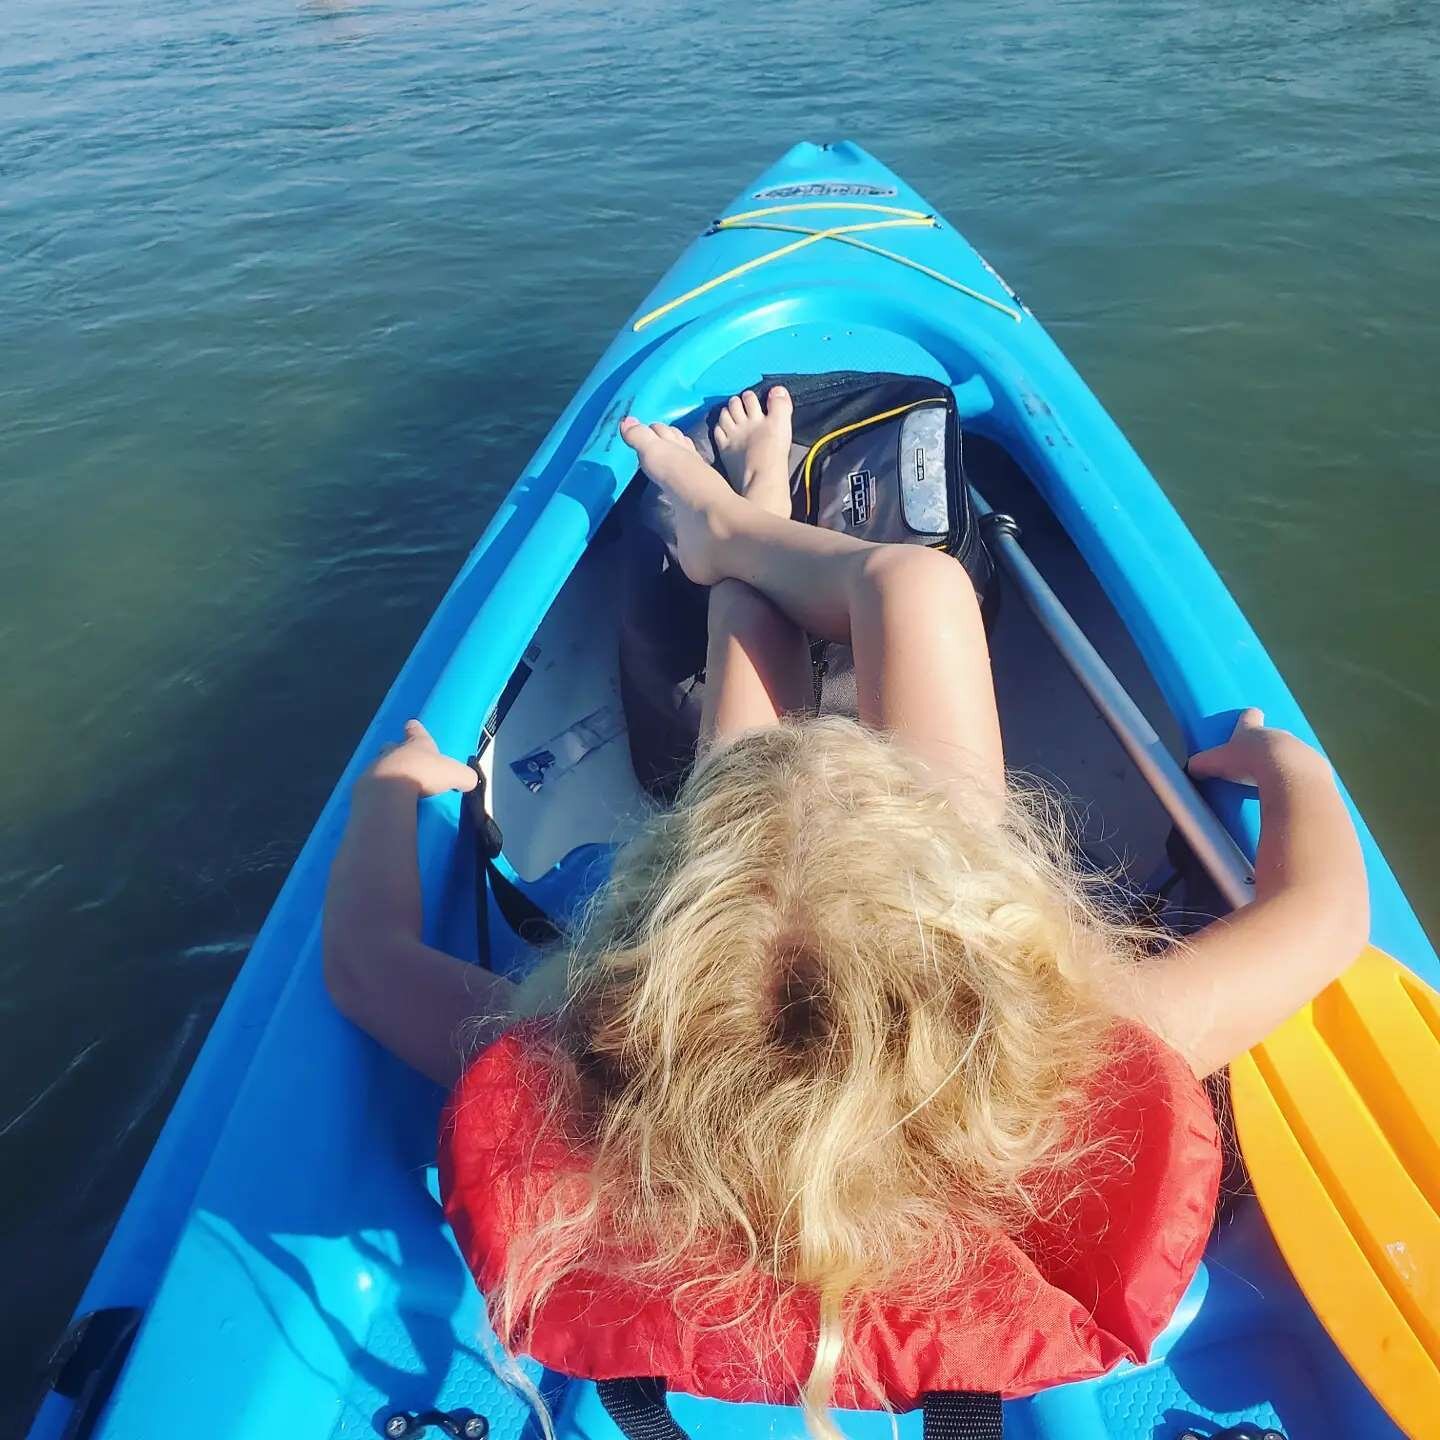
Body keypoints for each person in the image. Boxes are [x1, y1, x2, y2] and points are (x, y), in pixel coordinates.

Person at [323, 387, 1369, 1434]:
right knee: (919, 589)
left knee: (862, 638)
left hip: (814, 925)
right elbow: (1328, 915)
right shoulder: (1071, 1055)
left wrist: (391, 791)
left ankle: (743, 522)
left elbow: (366, 962)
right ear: (990, 931)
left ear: (642, 956)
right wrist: (1294, 772)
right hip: (872, 910)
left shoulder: (578, 1076)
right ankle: (743, 529)